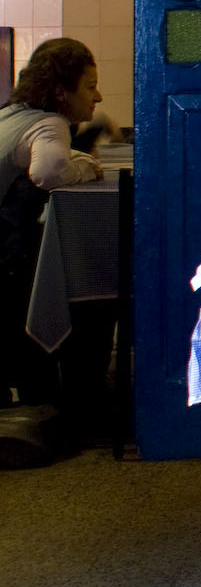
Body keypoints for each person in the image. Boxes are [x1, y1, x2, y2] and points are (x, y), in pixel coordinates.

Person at [1, 39, 105, 408]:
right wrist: (87, 169)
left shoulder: (12, 114)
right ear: (62, 91)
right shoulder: (50, 123)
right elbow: (49, 172)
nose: (98, 97)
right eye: (90, 86)